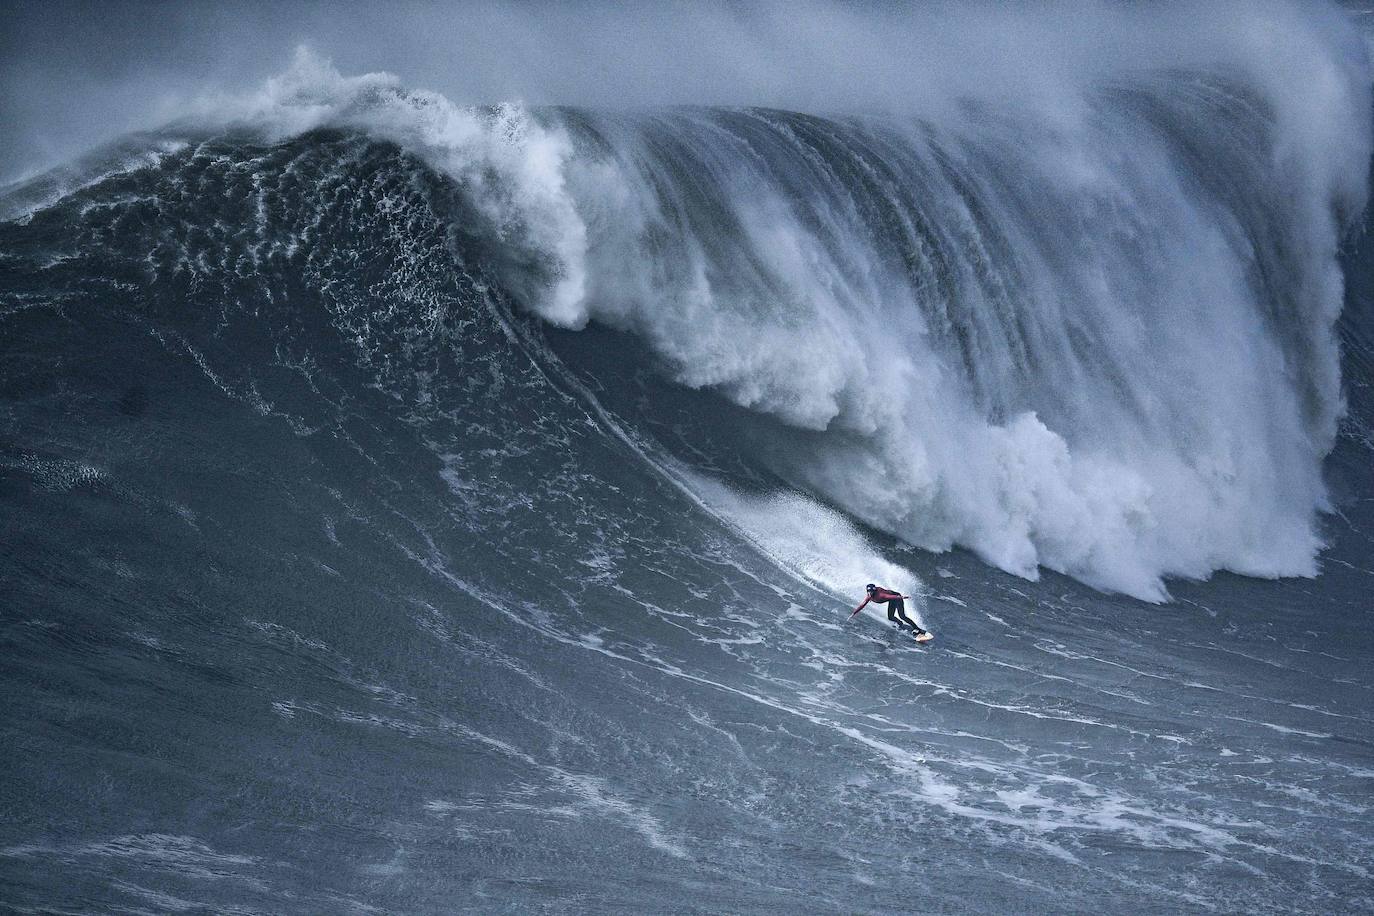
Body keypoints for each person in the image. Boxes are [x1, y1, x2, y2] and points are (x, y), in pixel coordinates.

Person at [851, 583, 928, 637]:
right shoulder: (869, 596)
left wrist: (902, 597)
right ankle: (900, 623)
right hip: (892, 600)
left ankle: (918, 629)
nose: (870, 593)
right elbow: (862, 605)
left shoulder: (880, 595)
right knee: (890, 617)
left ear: (874, 591)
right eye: (869, 592)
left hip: (897, 598)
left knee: (902, 616)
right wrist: (854, 613)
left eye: (872, 592)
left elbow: (890, 596)